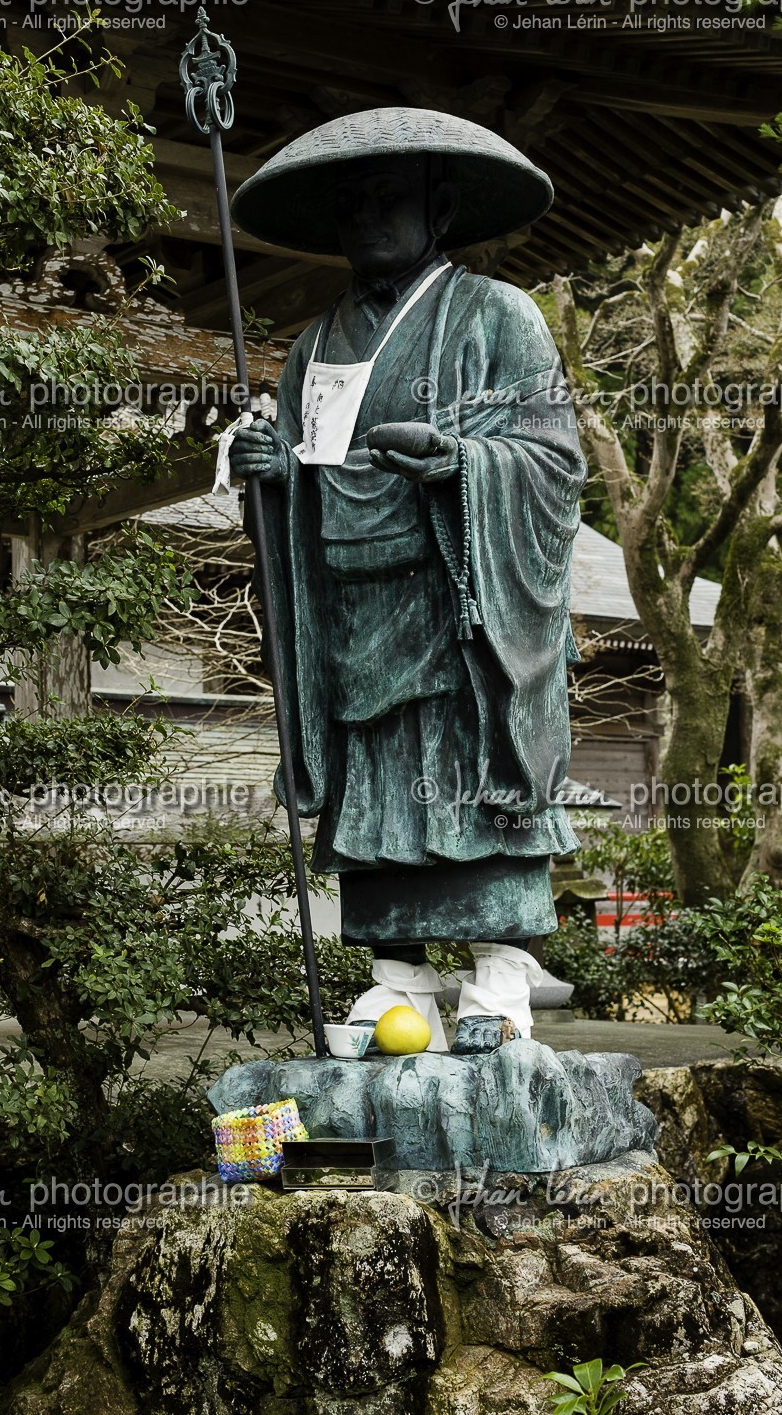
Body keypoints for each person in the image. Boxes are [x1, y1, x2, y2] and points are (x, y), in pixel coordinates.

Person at [223, 108, 586, 1054]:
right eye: (349, 202)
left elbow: (550, 463)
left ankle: (500, 980)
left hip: (459, 597)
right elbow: (302, 474)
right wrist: (271, 475)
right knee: (373, 787)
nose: (367, 217)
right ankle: (397, 982)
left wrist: (460, 459)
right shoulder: (314, 344)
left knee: (469, 783)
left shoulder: (498, 315)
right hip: (349, 600)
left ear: (441, 204)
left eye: (387, 196)